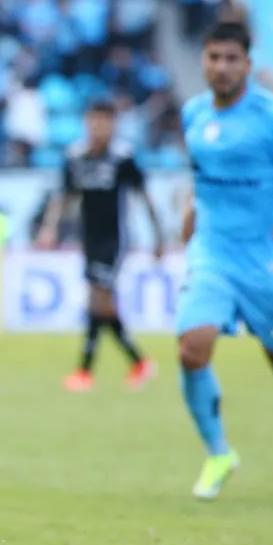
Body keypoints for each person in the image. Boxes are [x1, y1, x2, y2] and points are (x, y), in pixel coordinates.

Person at [175, 22, 273, 500]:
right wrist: (191, 212)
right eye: (213, 57)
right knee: (190, 347)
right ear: (203, 59)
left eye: (231, 58)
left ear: (248, 62)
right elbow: (201, 176)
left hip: (265, 258)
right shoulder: (193, 114)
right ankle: (219, 452)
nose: (221, 67)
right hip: (213, 251)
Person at [36, 100, 164, 392]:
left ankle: (85, 370)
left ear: (114, 124)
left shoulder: (122, 158)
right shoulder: (75, 157)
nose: (99, 127)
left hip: (115, 239)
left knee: (98, 298)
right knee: (101, 303)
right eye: (94, 121)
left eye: (105, 121)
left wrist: (159, 238)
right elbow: (63, 197)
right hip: (89, 239)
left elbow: (145, 198)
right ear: (86, 122)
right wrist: (49, 228)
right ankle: (138, 362)